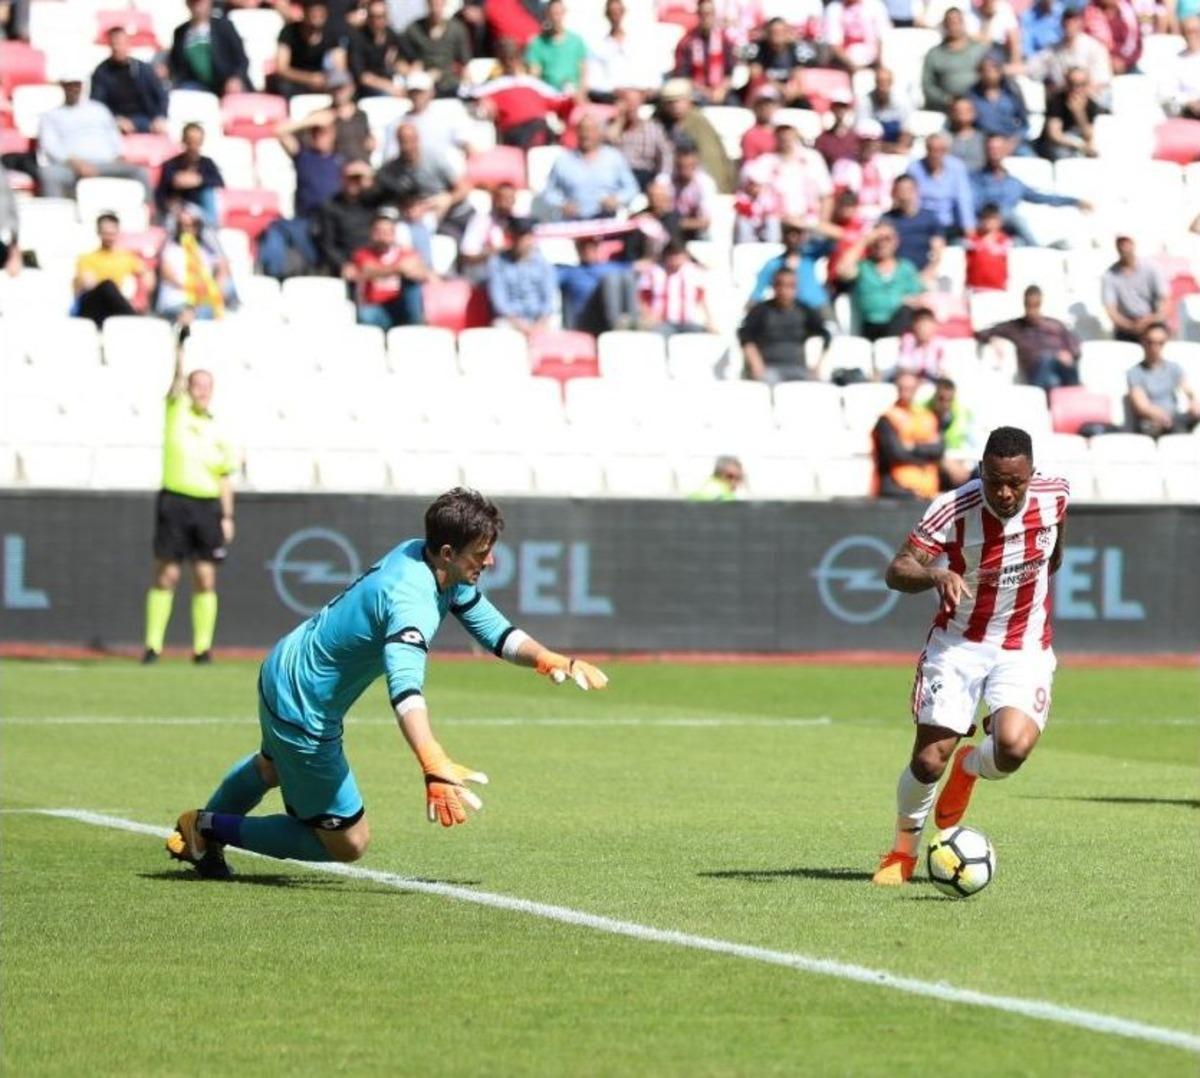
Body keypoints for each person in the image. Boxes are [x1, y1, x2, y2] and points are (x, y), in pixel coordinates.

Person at [165, 487, 609, 877]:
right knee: (347, 842)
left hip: (284, 667)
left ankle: (199, 836)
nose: (490, 561)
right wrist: (432, 760)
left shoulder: (423, 554)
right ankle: (206, 826)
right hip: (305, 705)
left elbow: (494, 630)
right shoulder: (411, 600)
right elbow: (405, 691)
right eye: (480, 553)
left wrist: (548, 658)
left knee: (273, 766)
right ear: (449, 552)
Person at [871, 426, 1069, 886]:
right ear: (981, 470)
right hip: (959, 645)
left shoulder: (1055, 495)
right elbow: (897, 569)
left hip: (1023, 644)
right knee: (928, 761)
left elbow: (1055, 551)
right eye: (994, 481)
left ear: (1031, 475)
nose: (1004, 493)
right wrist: (936, 575)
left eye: (1015, 483)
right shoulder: (952, 508)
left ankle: (968, 768)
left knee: (1013, 748)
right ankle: (902, 853)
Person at [143, 327, 236, 667]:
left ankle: (202, 648)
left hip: (207, 506)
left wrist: (227, 516)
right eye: (197, 385)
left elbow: (225, 477)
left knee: (205, 576)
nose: (202, 391)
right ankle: (153, 645)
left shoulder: (219, 428)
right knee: (167, 573)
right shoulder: (177, 411)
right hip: (175, 502)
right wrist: (179, 347)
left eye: (207, 387)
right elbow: (176, 381)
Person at [37, 72, 151, 200]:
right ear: (63, 86)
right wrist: (76, 164)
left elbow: (114, 137)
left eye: (77, 84)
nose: (74, 88)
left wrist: (118, 157)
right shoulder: (51, 116)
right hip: (71, 167)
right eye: (70, 85)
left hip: (106, 164)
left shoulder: (99, 110)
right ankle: (56, 210)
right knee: (49, 175)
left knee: (140, 172)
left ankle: (149, 209)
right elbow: (50, 146)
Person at [258, 115, 345, 278]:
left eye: (323, 132)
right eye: (315, 132)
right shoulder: (304, 156)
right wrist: (311, 121)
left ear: (333, 135)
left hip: (333, 223)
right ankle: (273, 276)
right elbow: (278, 131)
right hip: (306, 221)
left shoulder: (341, 160)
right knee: (275, 229)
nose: (319, 136)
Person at [970, 133, 1086, 244]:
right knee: (1016, 217)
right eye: (991, 149)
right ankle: (1038, 248)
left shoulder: (1013, 183)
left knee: (1018, 242)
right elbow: (974, 203)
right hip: (984, 223)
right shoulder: (975, 179)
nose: (994, 153)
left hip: (1007, 230)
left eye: (998, 149)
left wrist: (1074, 201)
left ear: (1005, 150)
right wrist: (991, 218)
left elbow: (1040, 197)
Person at [466, 39, 568, 149]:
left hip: (540, 128)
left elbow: (559, 103)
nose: (510, 62)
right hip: (515, 132)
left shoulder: (533, 84)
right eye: (505, 58)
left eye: (513, 57)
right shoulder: (492, 87)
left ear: (520, 58)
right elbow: (472, 99)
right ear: (500, 61)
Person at [977, 284, 1081, 390]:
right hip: (1039, 374)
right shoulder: (1015, 327)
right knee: (1048, 367)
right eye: (1029, 305)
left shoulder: (1055, 325)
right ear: (1024, 305)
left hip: (1063, 370)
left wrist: (1070, 354)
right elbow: (982, 333)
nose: (1032, 310)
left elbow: (1074, 343)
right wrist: (993, 338)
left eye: (1036, 305)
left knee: (1066, 368)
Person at [375, 121, 471, 235]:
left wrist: (448, 199)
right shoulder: (393, 168)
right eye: (403, 141)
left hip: (448, 213)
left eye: (410, 140)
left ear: (417, 139)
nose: (407, 146)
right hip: (417, 215)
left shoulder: (434, 159)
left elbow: (463, 188)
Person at [539, 113, 639, 221]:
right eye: (582, 130)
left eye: (590, 130)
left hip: (606, 220)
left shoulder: (614, 157)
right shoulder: (563, 160)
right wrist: (562, 204)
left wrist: (617, 199)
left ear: (599, 133)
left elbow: (632, 189)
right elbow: (548, 192)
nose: (586, 135)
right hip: (573, 222)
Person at [738, 265, 829, 382]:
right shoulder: (761, 310)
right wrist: (755, 363)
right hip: (769, 369)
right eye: (780, 285)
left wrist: (818, 365)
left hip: (799, 369)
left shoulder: (805, 311)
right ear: (774, 286)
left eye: (790, 286)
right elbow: (745, 335)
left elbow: (825, 335)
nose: (784, 290)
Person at [839, 222, 926, 340]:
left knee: (906, 313)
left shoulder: (906, 268)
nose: (882, 243)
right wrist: (864, 240)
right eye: (877, 239)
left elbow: (916, 298)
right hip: (872, 326)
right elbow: (843, 270)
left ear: (896, 241)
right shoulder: (864, 267)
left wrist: (899, 301)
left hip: (900, 327)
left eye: (887, 238)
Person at [350, 207, 429, 329]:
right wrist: (398, 269)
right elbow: (367, 270)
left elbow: (421, 272)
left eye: (386, 231)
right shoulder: (363, 254)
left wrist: (412, 271)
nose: (382, 235)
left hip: (402, 304)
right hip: (377, 307)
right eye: (378, 231)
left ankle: (416, 327)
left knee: (412, 285)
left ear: (394, 233)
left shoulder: (406, 253)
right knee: (365, 315)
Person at [872, 369, 945, 498]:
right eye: (903, 388)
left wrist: (912, 447)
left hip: (928, 485)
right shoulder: (888, 418)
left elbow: (939, 450)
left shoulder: (927, 416)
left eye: (910, 388)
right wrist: (926, 456)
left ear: (917, 388)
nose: (906, 392)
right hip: (897, 486)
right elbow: (896, 453)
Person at [156, 203, 235, 322]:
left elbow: (223, 266)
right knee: (192, 312)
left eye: (193, 225)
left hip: (202, 302)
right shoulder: (170, 249)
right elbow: (167, 274)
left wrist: (217, 286)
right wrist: (198, 289)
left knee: (227, 290)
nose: (188, 229)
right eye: (183, 225)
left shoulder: (204, 250)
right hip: (177, 301)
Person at [73, 212, 155, 325]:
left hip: (114, 306)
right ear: (98, 233)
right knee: (108, 286)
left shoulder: (126, 257)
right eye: (105, 233)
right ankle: (134, 319)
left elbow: (147, 273)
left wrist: (142, 294)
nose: (109, 237)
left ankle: (133, 316)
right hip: (92, 306)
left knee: (111, 289)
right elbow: (89, 285)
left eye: (112, 233)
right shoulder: (87, 258)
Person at [657, 79, 736, 194]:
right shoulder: (659, 123)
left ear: (689, 101)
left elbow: (712, 161)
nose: (675, 106)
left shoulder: (699, 123)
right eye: (670, 102)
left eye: (679, 101)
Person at [90, 26, 169, 135]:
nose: (117, 48)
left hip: (146, 119)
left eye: (121, 43)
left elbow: (161, 95)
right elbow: (97, 104)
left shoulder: (143, 69)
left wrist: (160, 117)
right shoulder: (101, 72)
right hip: (116, 121)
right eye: (114, 44)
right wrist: (116, 119)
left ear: (128, 44)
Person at [487, 218, 558, 336]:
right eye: (518, 237)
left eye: (525, 237)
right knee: (501, 329)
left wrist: (540, 323)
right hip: (511, 320)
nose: (521, 242)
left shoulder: (543, 263)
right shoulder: (497, 263)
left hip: (539, 319)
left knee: (553, 330)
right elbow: (500, 302)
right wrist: (521, 325)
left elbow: (549, 299)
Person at [748, 217, 836, 312]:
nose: (793, 238)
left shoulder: (810, 256)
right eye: (789, 233)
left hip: (818, 307)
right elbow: (756, 294)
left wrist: (808, 224)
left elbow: (838, 238)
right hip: (793, 313)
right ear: (783, 236)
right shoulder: (774, 264)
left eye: (798, 234)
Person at [555, 235, 639, 333]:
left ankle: (627, 324)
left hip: (606, 319)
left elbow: (641, 266)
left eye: (592, 246)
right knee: (611, 280)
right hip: (584, 322)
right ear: (577, 248)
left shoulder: (612, 268)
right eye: (583, 246)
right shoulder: (568, 272)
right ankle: (617, 325)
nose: (588, 250)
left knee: (622, 278)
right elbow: (545, 277)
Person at [1127, 322, 1200, 434]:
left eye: (1160, 343)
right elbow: (1142, 406)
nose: (1155, 347)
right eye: (1150, 342)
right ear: (1143, 342)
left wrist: (1193, 403)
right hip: (1151, 421)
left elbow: (1188, 390)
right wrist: (1160, 415)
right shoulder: (1135, 372)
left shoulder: (1174, 368)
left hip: (1174, 418)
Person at [168, 0, 251, 95]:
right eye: (193, 2)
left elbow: (242, 60)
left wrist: (236, 78)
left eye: (201, 2)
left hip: (227, 84)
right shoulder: (180, 32)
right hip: (197, 86)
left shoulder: (224, 26)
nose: (198, 7)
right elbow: (175, 64)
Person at [272, 0, 349, 99]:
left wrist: (326, 79)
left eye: (320, 14)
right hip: (295, 80)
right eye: (313, 13)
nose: (317, 17)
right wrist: (309, 78)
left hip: (322, 80)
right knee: (283, 86)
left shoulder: (332, 33)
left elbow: (339, 67)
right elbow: (282, 69)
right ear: (305, 13)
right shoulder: (289, 32)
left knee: (344, 86)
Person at [1026, 9, 1111, 95]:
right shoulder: (1052, 50)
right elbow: (1031, 68)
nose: (1069, 24)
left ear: (1081, 23)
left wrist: (1079, 92)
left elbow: (1102, 81)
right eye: (1066, 20)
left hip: (1089, 98)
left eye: (1074, 20)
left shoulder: (1095, 48)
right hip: (1061, 98)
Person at [638, 241, 714, 338]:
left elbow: (701, 299)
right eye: (672, 256)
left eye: (678, 256)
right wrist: (648, 317)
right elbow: (643, 298)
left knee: (704, 338)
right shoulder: (653, 272)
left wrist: (710, 321)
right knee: (657, 337)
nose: (675, 260)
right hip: (663, 322)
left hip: (688, 322)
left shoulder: (693, 272)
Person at [315, 159, 379, 275]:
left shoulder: (372, 202)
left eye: (358, 178)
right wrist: (342, 264)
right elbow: (327, 244)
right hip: (348, 262)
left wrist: (370, 176)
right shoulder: (331, 206)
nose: (353, 182)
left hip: (374, 260)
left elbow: (394, 189)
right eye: (349, 178)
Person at [587, 0, 660, 100]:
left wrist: (644, 89)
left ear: (624, 12)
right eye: (612, 12)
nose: (616, 16)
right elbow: (595, 80)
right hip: (612, 97)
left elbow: (651, 71)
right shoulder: (598, 46)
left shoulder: (640, 42)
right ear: (607, 15)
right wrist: (616, 90)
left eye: (618, 11)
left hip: (640, 94)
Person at [907, 131, 975, 237]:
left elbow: (964, 198)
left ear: (946, 151)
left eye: (940, 150)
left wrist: (968, 226)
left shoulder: (957, 167)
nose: (936, 154)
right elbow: (912, 199)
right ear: (926, 150)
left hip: (948, 223)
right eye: (932, 150)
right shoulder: (914, 168)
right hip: (924, 224)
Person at [1102, 235, 1168, 343]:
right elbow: (1111, 310)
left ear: (1133, 244)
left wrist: (1150, 319)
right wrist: (1129, 326)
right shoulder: (1110, 275)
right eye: (1121, 244)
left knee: (1155, 338)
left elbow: (1165, 300)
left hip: (1151, 322)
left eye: (1126, 243)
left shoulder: (1151, 268)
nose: (1124, 248)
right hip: (1126, 326)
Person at [156, 122, 225, 225]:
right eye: (190, 141)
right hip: (178, 212)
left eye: (197, 142)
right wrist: (177, 182)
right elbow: (161, 192)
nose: (193, 146)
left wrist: (198, 180)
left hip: (201, 213)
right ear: (184, 141)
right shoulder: (171, 164)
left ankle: (211, 226)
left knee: (208, 192)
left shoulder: (207, 163)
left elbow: (219, 181)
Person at [921, 8, 989, 113]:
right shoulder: (934, 54)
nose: (954, 26)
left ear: (963, 23)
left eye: (957, 22)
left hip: (979, 104)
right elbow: (927, 85)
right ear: (944, 25)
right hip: (947, 107)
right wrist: (947, 100)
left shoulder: (979, 50)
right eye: (950, 22)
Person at [607, 87, 674, 190]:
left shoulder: (652, 128)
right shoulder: (612, 126)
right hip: (617, 176)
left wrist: (662, 179)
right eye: (627, 102)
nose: (631, 107)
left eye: (634, 102)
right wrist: (620, 120)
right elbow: (608, 142)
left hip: (644, 175)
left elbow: (666, 154)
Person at [673, 0, 737, 104]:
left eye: (709, 14)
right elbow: (683, 76)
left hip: (721, 92)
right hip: (696, 92)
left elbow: (730, 72)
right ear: (697, 15)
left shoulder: (724, 40)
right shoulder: (686, 42)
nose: (706, 18)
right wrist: (705, 92)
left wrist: (721, 90)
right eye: (702, 14)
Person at [744, 16, 816, 105]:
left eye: (781, 32)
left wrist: (792, 91)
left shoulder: (796, 50)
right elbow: (756, 77)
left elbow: (799, 77)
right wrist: (779, 88)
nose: (777, 36)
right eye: (773, 32)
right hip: (765, 93)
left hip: (787, 92)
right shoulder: (757, 49)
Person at [881, 174, 946, 272]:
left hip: (923, 273)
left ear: (917, 191)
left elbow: (937, 250)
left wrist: (927, 273)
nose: (905, 195)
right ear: (894, 193)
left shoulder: (929, 218)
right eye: (900, 190)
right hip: (895, 274)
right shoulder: (887, 219)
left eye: (908, 190)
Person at [1037, 66, 1102, 160]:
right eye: (1072, 84)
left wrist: (1079, 113)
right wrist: (1079, 145)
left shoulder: (1092, 105)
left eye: (1081, 84)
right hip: (1056, 145)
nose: (1076, 89)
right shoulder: (1057, 101)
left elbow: (1089, 136)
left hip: (1078, 144)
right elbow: (1054, 135)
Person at [524, 0, 587, 94]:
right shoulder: (538, 43)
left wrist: (580, 93)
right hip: (548, 95)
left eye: (559, 13)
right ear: (547, 15)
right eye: (554, 14)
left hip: (572, 94)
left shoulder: (576, 41)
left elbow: (583, 74)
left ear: (564, 13)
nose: (557, 18)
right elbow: (534, 75)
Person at [349, 0, 408, 98]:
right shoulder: (358, 38)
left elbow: (413, 60)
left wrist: (402, 66)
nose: (376, 21)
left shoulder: (392, 35)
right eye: (372, 16)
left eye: (380, 16)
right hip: (370, 89)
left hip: (394, 81)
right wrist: (389, 87)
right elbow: (362, 76)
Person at [927, 375, 976, 488]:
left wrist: (966, 466)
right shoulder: (921, 411)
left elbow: (974, 445)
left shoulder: (963, 413)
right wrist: (944, 461)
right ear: (934, 396)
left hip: (961, 464)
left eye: (949, 400)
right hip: (934, 464)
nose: (945, 405)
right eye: (941, 399)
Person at [966, 56, 1028, 144]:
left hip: (1010, 139)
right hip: (981, 142)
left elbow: (1024, 124)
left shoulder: (1012, 92)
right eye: (985, 70)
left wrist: (1012, 143)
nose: (989, 73)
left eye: (993, 69)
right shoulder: (971, 95)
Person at [663, 144, 717, 241]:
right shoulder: (667, 180)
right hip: (671, 230)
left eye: (689, 167)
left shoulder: (705, 184)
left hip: (697, 233)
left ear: (696, 164)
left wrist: (677, 223)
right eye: (681, 167)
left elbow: (705, 222)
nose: (684, 172)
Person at [823, 0, 892, 71]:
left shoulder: (876, 5)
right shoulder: (833, 8)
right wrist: (852, 66)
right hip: (845, 65)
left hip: (875, 62)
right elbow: (834, 45)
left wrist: (878, 65)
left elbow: (882, 37)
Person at [1082, 0, 1141, 75]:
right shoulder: (1088, 13)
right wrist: (1109, 60)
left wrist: (1124, 61)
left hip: (1128, 65)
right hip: (1098, 67)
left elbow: (1136, 44)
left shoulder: (1127, 10)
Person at [964, 202, 1010, 290]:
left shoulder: (1004, 240)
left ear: (999, 221)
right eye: (986, 219)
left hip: (998, 289)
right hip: (975, 288)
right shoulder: (973, 240)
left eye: (992, 219)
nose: (989, 222)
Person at [1162, 18, 1200, 118]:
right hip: (1188, 113)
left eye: (1197, 31)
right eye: (1190, 32)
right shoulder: (1174, 61)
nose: (1194, 36)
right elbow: (1168, 92)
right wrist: (1189, 102)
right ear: (1183, 34)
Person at [895, 306, 946, 379]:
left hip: (933, 378)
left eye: (928, 326)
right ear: (914, 326)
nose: (924, 330)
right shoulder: (908, 341)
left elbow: (941, 369)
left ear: (935, 326)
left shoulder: (940, 343)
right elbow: (904, 365)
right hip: (911, 377)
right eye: (921, 326)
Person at [814, 91, 861, 167]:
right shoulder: (823, 139)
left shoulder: (855, 138)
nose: (840, 110)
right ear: (832, 109)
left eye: (843, 107)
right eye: (837, 107)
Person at [740, 84, 782, 163]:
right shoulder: (750, 136)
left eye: (770, 105)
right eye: (762, 105)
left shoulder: (783, 132)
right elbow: (750, 165)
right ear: (754, 108)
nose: (766, 109)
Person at [946, 96, 986, 172]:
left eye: (967, 110)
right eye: (959, 110)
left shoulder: (984, 139)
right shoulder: (945, 138)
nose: (963, 113)